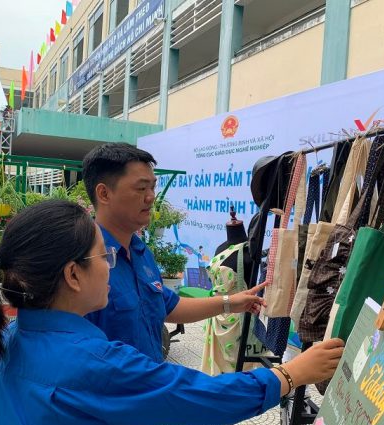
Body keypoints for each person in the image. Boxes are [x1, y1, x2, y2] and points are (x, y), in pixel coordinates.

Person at [0, 200, 344, 425]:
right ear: (73, 275)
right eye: (103, 256)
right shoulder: (95, 366)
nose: (110, 266)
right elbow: (199, 396)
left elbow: (168, 306)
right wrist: (290, 375)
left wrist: (228, 302)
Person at [82, 144, 266, 364]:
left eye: (153, 187)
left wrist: (230, 302)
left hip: (153, 380)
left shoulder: (141, 252)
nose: (151, 197)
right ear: (104, 193)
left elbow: (169, 306)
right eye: (141, 188)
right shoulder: (83, 262)